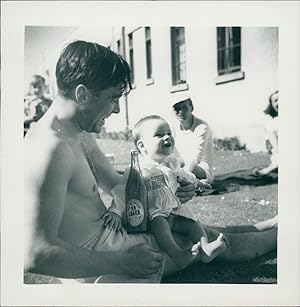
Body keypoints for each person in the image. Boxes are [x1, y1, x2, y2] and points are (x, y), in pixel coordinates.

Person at [24, 40, 278, 283]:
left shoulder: (76, 133)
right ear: (82, 95)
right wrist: (122, 263)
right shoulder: (48, 150)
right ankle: (284, 234)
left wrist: (169, 184)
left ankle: (270, 224)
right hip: (104, 260)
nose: (116, 110)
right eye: (113, 98)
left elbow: (116, 182)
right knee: (203, 237)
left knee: (193, 226)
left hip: (115, 238)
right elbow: (36, 252)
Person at [104, 115, 228, 269]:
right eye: (159, 134)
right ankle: (177, 255)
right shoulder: (140, 169)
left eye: (169, 133)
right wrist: (116, 211)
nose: (167, 137)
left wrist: (197, 182)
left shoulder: (172, 163)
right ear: (142, 146)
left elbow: (185, 176)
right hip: (153, 215)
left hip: (174, 211)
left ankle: (206, 248)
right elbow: (123, 192)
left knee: (192, 223)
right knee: (160, 224)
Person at [172, 96, 214, 186]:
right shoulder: (173, 127)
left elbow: (195, 159)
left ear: (192, 107)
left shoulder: (202, 127)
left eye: (185, 108)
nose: (181, 112)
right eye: (177, 109)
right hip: (181, 167)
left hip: (200, 170)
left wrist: (179, 176)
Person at [253, 90, 279, 176]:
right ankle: (270, 169)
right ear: (272, 106)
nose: (279, 102)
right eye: (275, 101)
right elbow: (277, 148)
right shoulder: (272, 124)